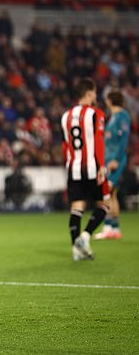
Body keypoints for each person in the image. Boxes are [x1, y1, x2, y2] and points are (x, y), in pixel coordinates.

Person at [60, 77, 109, 261]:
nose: (95, 96)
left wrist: (68, 164)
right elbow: (97, 140)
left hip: (73, 167)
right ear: (89, 93)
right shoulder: (96, 113)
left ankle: (76, 250)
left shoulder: (65, 116)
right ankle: (86, 236)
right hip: (92, 166)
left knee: (77, 207)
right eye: (95, 92)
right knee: (104, 205)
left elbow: (66, 146)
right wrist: (101, 165)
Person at [94, 89, 131, 240]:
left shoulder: (122, 116)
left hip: (116, 159)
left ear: (110, 100)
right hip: (109, 159)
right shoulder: (114, 117)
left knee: (105, 193)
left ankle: (108, 226)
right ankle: (115, 229)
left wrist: (115, 159)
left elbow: (123, 140)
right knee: (112, 194)